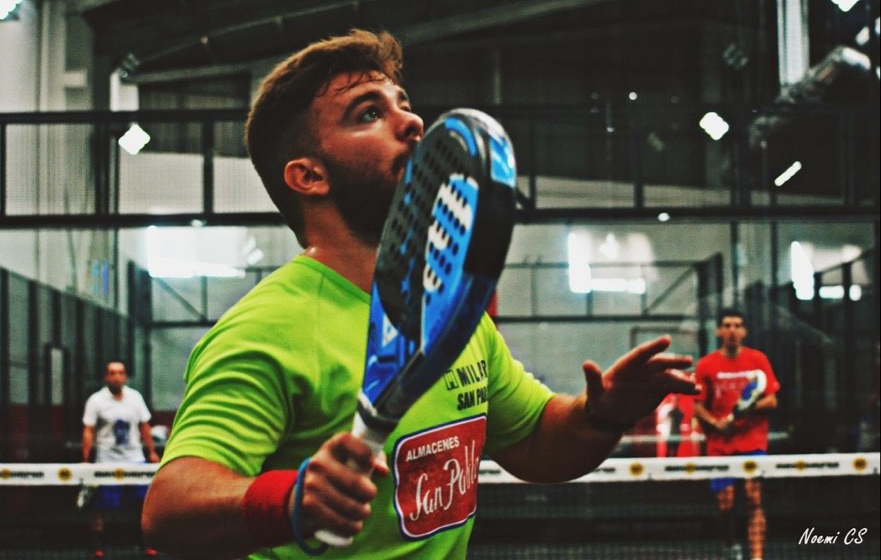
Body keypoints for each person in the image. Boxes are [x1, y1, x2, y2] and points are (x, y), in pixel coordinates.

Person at [141, 29, 700, 559]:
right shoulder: (266, 330)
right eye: (369, 113)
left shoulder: (450, 310)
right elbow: (168, 508)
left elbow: (535, 441)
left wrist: (600, 414)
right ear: (309, 175)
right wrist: (289, 501)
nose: (411, 121)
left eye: (402, 104)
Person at [693, 309, 780, 560]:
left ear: (744, 331)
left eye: (737, 325)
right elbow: (698, 406)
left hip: (753, 441)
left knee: (754, 499)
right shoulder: (706, 365)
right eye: (727, 325)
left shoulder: (758, 359)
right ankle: (731, 544)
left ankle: (757, 557)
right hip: (720, 446)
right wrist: (715, 423)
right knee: (726, 505)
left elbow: (772, 400)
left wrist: (747, 408)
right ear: (719, 331)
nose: (732, 330)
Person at [82, 362, 161, 558]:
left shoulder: (135, 398)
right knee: (99, 505)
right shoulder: (96, 400)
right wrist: (85, 459)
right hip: (106, 459)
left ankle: (146, 543)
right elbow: (88, 430)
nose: (116, 377)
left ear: (125, 377)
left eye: (120, 373)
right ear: (106, 377)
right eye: (112, 373)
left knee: (144, 502)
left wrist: (152, 452)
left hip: (135, 458)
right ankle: (97, 544)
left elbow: (144, 426)